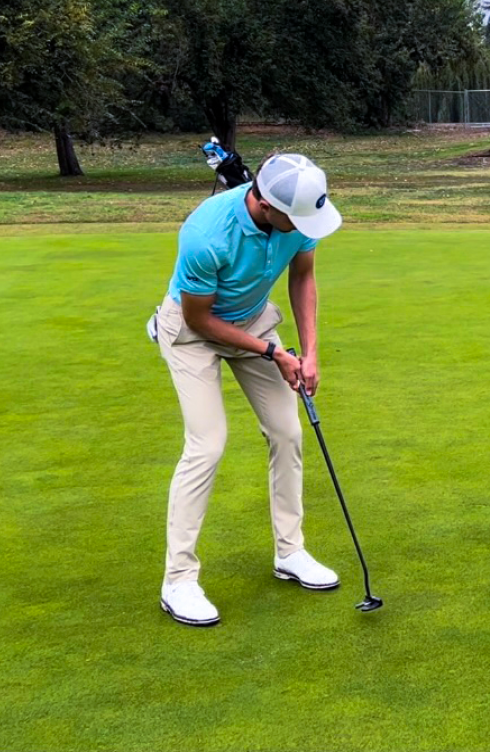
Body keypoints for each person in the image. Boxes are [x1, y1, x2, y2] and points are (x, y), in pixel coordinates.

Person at [151, 153, 344, 627]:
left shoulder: (298, 219)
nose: (305, 226)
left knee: (288, 432)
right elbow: (201, 319)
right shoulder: (205, 235)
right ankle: (178, 580)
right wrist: (272, 352)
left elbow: (303, 277)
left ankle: (290, 552)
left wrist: (310, 353)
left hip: (254, 318)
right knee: (207, 445)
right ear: (266, 204)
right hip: (193, 332)